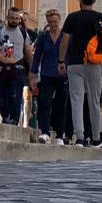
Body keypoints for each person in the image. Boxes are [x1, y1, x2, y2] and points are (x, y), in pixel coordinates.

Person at [58, 0, 102, 147]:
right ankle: (96, 137)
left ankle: (80, 137)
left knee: (76, 100)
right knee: (94, 102)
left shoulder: (72, 18)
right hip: (95, 63)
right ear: (94, 1)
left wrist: (61, 61)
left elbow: (65, 42)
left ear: (79, 0)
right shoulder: (101, 18)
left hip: (75, 63)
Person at [30, 9, 67, 143]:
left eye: (55, 22)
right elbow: (37, 57)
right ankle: (45, 132)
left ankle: (59, 135)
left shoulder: (65, 37)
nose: (53, 24)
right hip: (46, 74)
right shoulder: (43, 37)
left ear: (59, 21)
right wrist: (33, 75)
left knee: (60, 105)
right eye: (50, 22)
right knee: (44, 103)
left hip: (62, 75)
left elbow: (69, 55)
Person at [0, 6, 32, 125]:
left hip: (17, 68)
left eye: (16, 18)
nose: (14, 20)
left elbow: (28, 52)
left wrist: (32, 70)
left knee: (15, 96)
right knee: (2, 97)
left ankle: (14, 120)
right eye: (12, 18)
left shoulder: (23, 33)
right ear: (7, 18)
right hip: (1, 68)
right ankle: (5, 117)